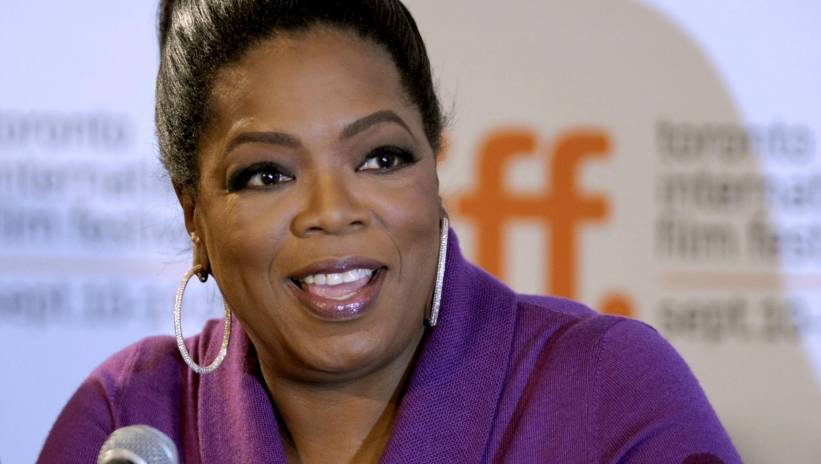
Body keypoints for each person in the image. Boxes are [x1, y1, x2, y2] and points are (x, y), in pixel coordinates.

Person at [39, 1, 740, 463]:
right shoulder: (128, 420)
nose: (333, 210)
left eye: (380, 158)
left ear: (434, 167)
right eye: (267, 174)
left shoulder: (603, 385)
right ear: (193, 215)